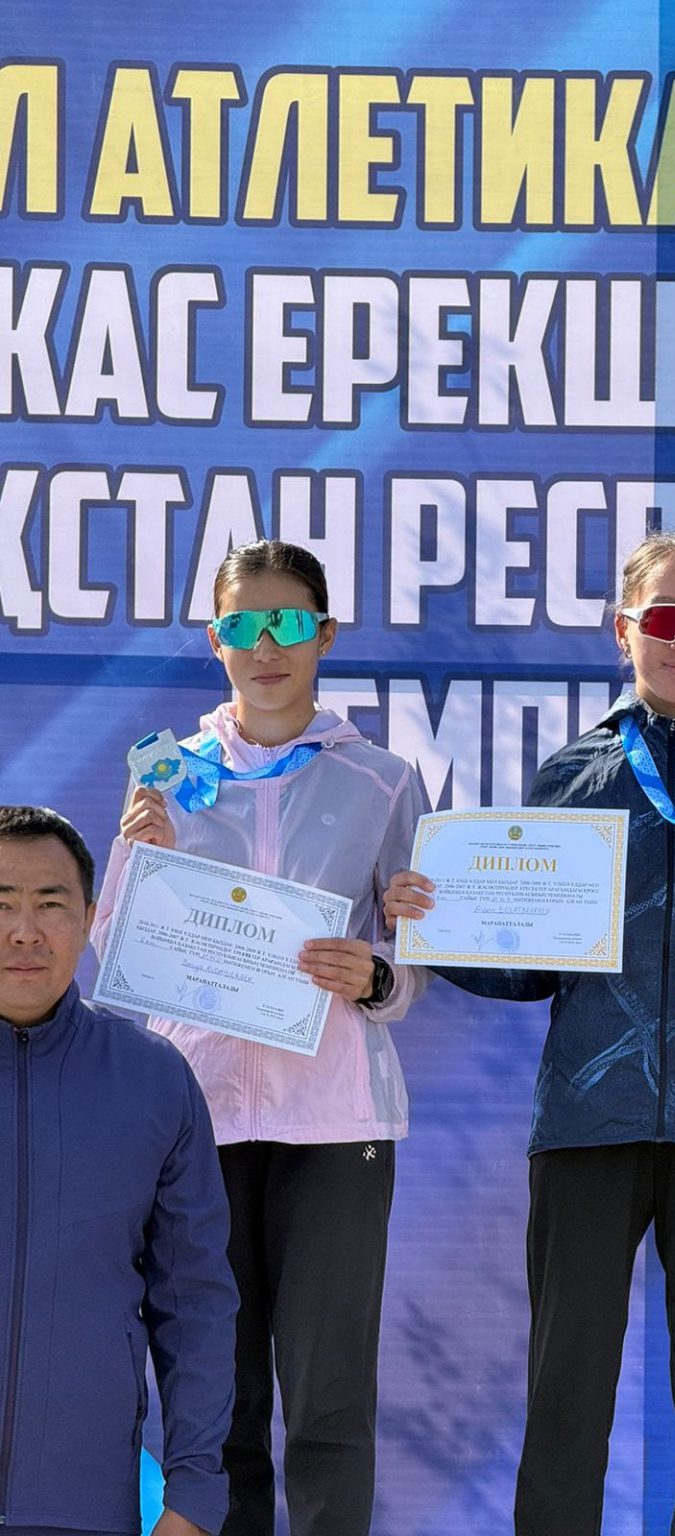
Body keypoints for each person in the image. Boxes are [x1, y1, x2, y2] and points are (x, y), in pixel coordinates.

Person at [385, 530, 675, 1536]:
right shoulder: (574, 772)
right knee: (566, 1397)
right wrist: (432, 929)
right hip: (589, 1118)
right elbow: (531, 966)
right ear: (622, 630)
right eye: (663, 618)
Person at [93, 541, 428, 1536]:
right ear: (216, 640)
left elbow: (415, 955)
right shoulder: (166, 775)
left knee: (328, 1404)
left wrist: (377, 975)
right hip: (196, 1117)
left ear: (325, 635)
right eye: (244, 624)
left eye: (287, 622)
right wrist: (138, 863)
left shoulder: (383, 779)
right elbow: (113, 953)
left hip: (336, 1122)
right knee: (218, 1402)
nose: (266, 645)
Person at [0, 805, 237, 1536]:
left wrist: (194, 1495)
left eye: (50, 904)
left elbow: (194, 1302)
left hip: (85, 1509)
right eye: (1, 904)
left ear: (91, 918)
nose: (24, 932)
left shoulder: (153, 1078)